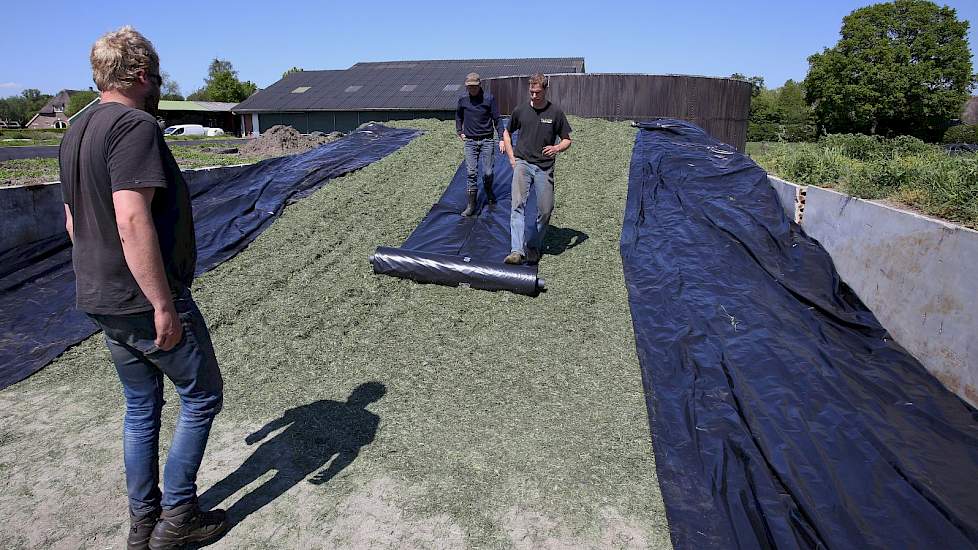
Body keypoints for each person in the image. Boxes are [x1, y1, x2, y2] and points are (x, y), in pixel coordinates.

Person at [59, 26, 227, 550]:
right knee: (201, 396)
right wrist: (161, 303)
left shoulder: (76, 131)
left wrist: (100, 277)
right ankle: (177, 520)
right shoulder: (133, 126)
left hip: (101, 296)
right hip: (141, 298)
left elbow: (72, 221)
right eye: (155, 76)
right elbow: (132, 219)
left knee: (140, 405)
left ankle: (142, 522)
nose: (157, 85)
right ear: (138, 75)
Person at [501, 73, 572, 265]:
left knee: (546, 209)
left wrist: (557, 147)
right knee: (517, 206)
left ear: (546, 90)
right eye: (531, 92)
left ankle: (532, 244)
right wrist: (512, 157)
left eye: (538, 92)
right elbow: (507, 132)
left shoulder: (555, 113)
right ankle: (516, 251)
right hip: (523, 163)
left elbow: (567, 139)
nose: (534, 96)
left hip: (544, 167)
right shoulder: (521, 110)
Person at [455, 72, 501, 217]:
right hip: (470, 141)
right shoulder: (463, 100)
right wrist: (459, 130)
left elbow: (497, 119)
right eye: (469, 87)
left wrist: (501, 138)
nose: (472, 90)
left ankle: (488, 190)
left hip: (487, 140)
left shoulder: (488, 99)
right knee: (471, 172)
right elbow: (458, 116)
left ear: (479, 85)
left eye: (474, 87)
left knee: (488, 172)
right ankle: (471, 205)